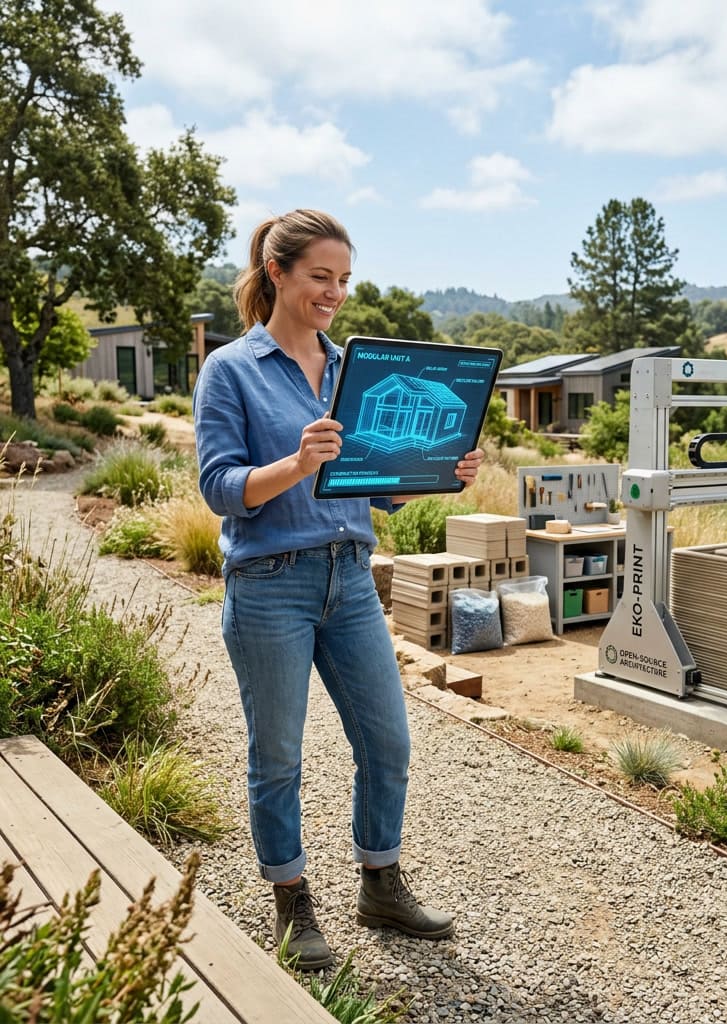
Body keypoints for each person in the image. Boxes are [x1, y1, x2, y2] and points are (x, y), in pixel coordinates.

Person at [193, 209, 484, 970]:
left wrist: (434, 475)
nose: (335, 292)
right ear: (277, 274)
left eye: (345, 280)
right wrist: (294, 464)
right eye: (321, 276)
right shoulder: (231, 370)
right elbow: (220, 487)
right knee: (278, 755)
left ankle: (380, 885)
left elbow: (373, 490)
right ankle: (293, 904)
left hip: (351, 580)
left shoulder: (358, 370)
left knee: (388, 741)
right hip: (269, 585)